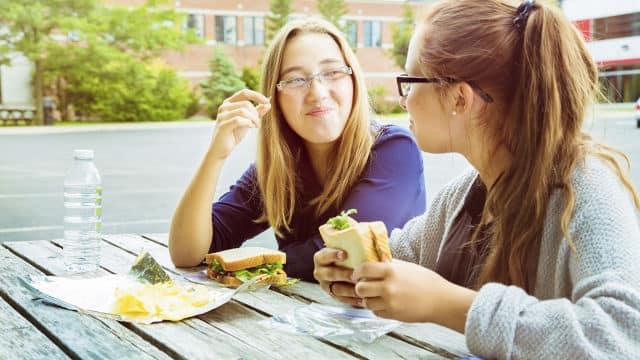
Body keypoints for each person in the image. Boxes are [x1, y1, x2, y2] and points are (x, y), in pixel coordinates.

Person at [313, 0, 640, 358]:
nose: (403, 100)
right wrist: (352, 273)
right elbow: (404, 257)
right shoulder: (464, 195)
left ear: (458, 97)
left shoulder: (588, 191)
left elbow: (621, 337)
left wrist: (450, 305)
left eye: (409, 81)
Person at [169, 18, 426, 282]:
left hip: (387, 321)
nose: (317, 92)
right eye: (295, 80)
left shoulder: (393, 149)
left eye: (332, 72)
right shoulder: (280, 169)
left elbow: (344, 253)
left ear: (353, 81)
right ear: (275, 99)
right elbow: (187, 253)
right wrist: (216, 155)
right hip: (301, 318)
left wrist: (253, 267)